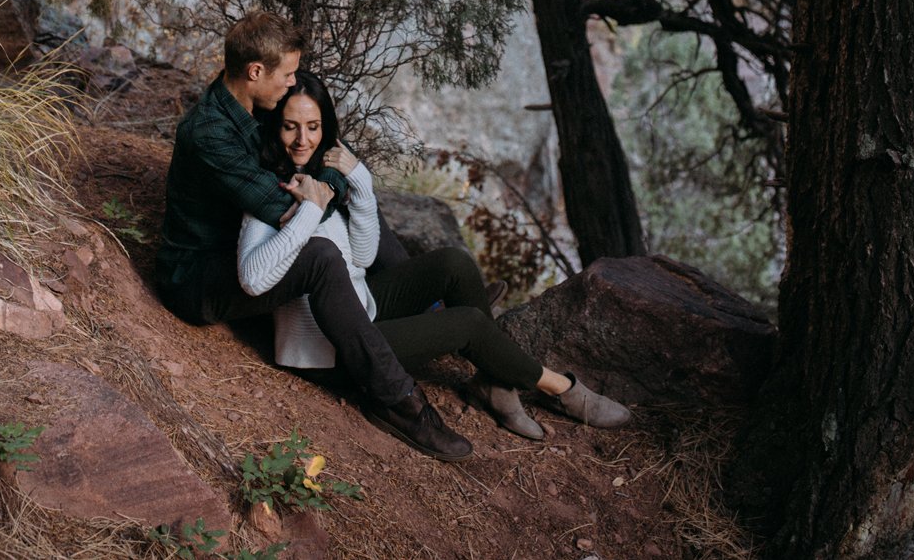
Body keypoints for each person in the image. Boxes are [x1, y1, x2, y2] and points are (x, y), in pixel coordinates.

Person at [238, 69, 630, 440]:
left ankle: (494, 382)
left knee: (453, 264)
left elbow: (362, 255)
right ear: (276, 127)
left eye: (313, 127)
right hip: (328, 352)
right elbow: (252, 279)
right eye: (290, 126)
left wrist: (360, 182)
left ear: (327, 131)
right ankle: (559, 386)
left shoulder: (325, 179)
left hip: (364, 310)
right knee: (469, 324)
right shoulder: (267, 192)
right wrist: (307, 211)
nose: (302, 140)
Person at [154, 12, 472, 459]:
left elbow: (304, 179)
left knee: (352, 208)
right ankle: (399, 401)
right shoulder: (210, 133)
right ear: (256, 72)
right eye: (286, 75)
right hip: (200, 278)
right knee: (321, 251)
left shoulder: (247, 106)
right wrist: (331, 182)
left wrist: (328, 175)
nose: (291, 83)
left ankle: (413, 303)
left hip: (249, 250)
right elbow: (285, 207)